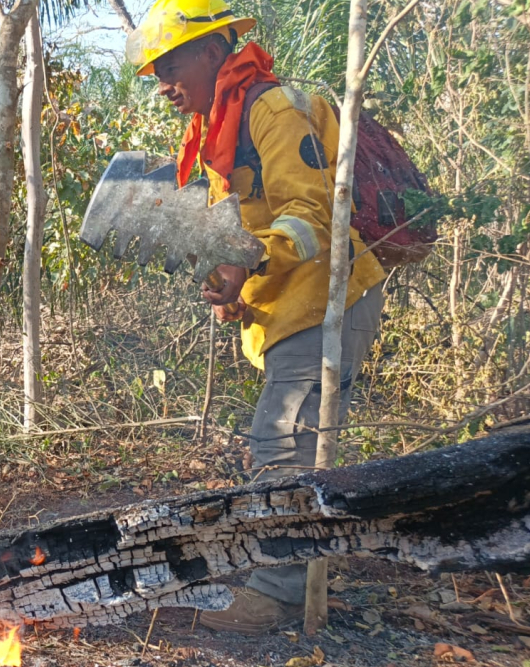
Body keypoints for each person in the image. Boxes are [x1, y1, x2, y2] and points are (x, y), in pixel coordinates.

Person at [126, 1, 386, 633]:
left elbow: (313, 214)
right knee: (282, 443)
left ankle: (276, 598)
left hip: (328, 300)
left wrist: (252, 263)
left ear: (213, 52)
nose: (162, 85)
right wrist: (237, 283)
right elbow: (248, 231)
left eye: (168, 66)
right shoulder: (219, 129)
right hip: (288, 308)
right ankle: (290, 582)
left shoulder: (269, 110)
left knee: (284, 440)